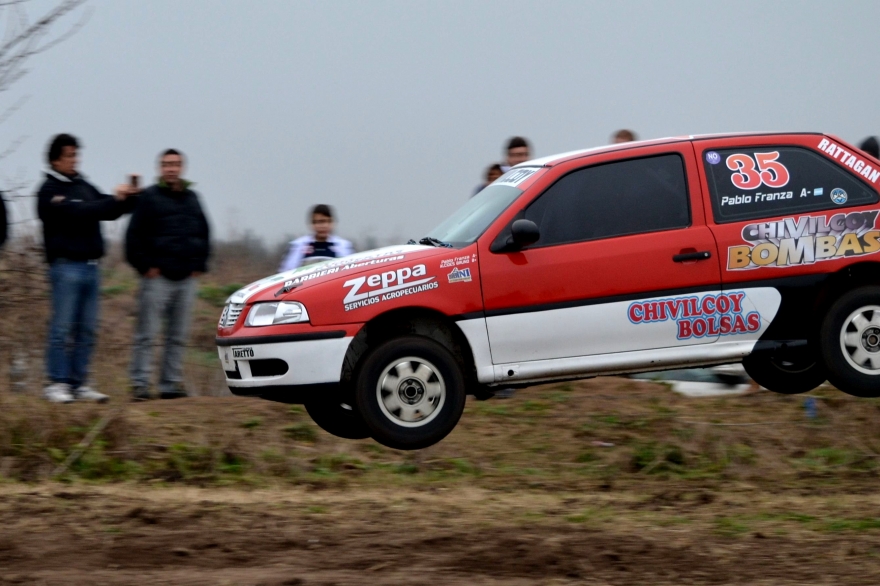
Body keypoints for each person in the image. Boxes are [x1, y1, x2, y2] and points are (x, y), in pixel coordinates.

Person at [37, 133, 136, 403]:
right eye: (70, 155)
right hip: (65, 267)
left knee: (87, 329)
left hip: (91, 268)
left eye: (76, 155)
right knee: (62, 328)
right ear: (55, 159)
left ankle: (78, 384)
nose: (75, 160)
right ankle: (57, 383)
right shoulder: (47, 191)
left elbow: (108, 210)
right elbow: (81, 211)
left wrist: (125, 199)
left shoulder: (84, 186)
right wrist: (105, 203)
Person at [126, 149, 211, 401]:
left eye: (175, 164)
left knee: (178, 336)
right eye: (166, 164)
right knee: (146, 334)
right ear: (160, 168)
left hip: (186, 279)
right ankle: (140, 384)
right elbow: (133, 237)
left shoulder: (193, 198)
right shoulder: (149, 198)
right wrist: (145, 267)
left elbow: (204, 233)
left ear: (182, 167)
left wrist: (200, 264)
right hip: (157, 278)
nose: (171, 168)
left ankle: (169, 384)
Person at [279, 204, 353, 271]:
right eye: (319, 222)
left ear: (333, 223)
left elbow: (349, 272)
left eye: (327, 221)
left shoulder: (343, 246)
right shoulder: (299, 246)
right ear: (311, 224)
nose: (323, 226)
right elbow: (286, 272)